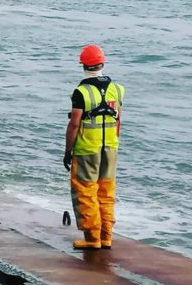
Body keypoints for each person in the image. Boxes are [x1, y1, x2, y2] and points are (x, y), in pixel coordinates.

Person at [63, 44, 125, 250]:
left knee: (86, 191)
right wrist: (114, 143)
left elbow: (74, 124)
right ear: (102, 63)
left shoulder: (81, 92)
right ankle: (106, 236)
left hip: (87, 148)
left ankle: (92, 238)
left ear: (83, 65)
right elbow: (118, 120)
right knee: (106, 191)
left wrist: (68, 151)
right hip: (110, 147)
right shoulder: (116, 89)